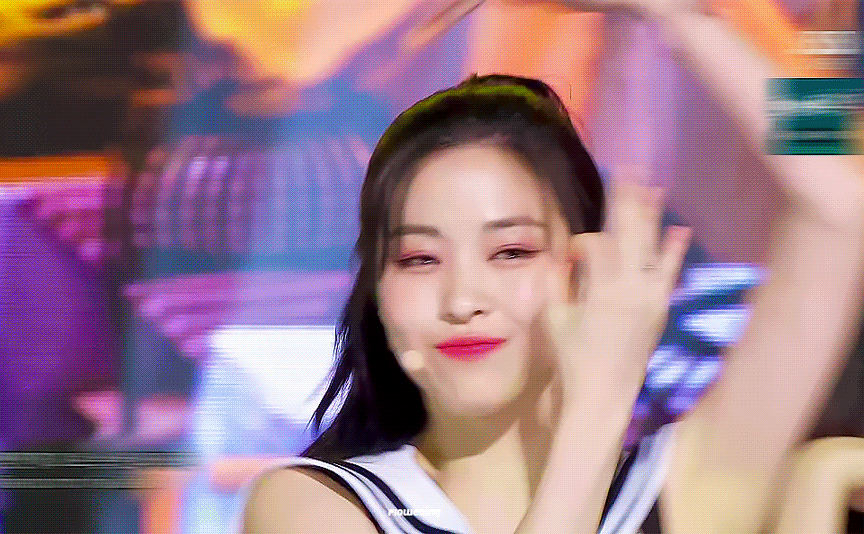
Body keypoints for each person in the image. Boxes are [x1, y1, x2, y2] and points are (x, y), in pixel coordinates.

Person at [237, 2, 864, 533]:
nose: (463, 300)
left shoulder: (682, 482)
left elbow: (843, 202)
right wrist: (598, 408)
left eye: (511, 252)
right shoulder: (315, 506)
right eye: (420, 259)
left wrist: (685, 18)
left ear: (585, 268)